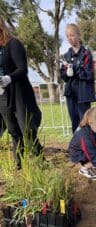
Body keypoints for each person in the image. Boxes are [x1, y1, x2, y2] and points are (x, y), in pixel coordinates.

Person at [0, 16, 42, 167]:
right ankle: (19, 164)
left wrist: (9, 78)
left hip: (18, 92)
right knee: (13, 131)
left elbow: (22, 68)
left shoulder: (13, 44)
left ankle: (39, 159)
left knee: (27, 129)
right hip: (2, 96)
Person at [60, 23, 96, 133]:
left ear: (79, 35)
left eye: (72, 35)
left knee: (84, 121)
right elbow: (63, 77)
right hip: (71, 93)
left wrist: (75, 70)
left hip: (83, 94)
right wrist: (66, 73)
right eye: (68, 36)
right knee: (74, 121)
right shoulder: (66, 56)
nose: (70, 38)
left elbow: (89, 74)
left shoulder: (86, 54)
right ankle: (76, 147)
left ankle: (86, 146)